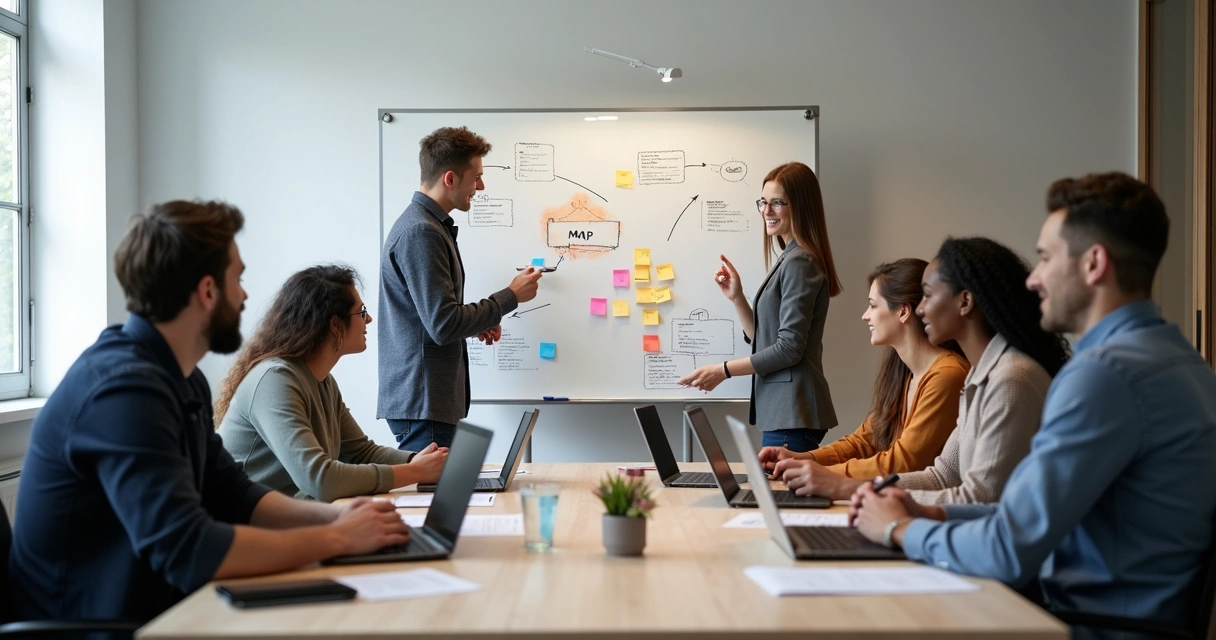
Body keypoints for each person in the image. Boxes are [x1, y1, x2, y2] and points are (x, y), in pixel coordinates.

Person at [8, 201, 409, 625]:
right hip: (100, 627)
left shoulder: (180, 378)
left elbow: (234, 493)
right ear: (206, 291)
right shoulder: (122, 391)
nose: (245, 295)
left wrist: (338, 516)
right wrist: (334, 538)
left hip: (163, 610)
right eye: (237, 278)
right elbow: (189, 550)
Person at [852, 172, 1216, 635]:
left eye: (1044, 258)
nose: (1034, 279)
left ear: (1093, 264)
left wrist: (898, 530)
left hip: (1078, 622)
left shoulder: (1104, 377)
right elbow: (1014, 515)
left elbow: (1008, 548)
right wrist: (929, 512)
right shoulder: (1181, 361)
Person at [786, 237, 1068, 502]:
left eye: (929, 296)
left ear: (965, 302)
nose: (920, 310)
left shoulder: (1010, 380)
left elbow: (979, 501)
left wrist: (849, 490)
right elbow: (943, 475)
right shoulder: (980, 375)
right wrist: (845, 484)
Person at [216, 266, 448, 502]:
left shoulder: (322, 380)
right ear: (335, 325)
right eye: (361, 312)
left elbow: (360, 453)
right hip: (238, 528)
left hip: (280, 520)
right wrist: (415, 471)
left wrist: (421, 461)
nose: (369, 319)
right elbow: (320, 480)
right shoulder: (274, 380)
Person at [379, 126, 543, 451]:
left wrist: (480, 322)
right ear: (450, 179)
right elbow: (443, 324)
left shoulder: (429, 227)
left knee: (439, 497)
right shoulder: (421, 232)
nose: (481, 187)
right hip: (424, 401)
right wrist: (510, 296)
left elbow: (432, 319)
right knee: (433, 501)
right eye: (476, 177)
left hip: (426, 401)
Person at [758, 259, 968, 488]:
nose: (865, 315)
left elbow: (903, 463)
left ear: (903, 312)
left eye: (873, 306)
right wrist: (805, 458)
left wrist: (820, 473)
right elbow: (864, 441)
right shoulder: (905, 374)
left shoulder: (947, 376)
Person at [678, 162, 842, 452]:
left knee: (780, 497)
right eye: (763, 202)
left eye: (777, 203)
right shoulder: (789, 258)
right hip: (784, 412)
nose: (766, 211)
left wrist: (723, 370)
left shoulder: (799, 262)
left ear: (800, 207)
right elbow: (763, 339)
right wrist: (737, 297)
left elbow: (789, 348)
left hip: (794, 411)